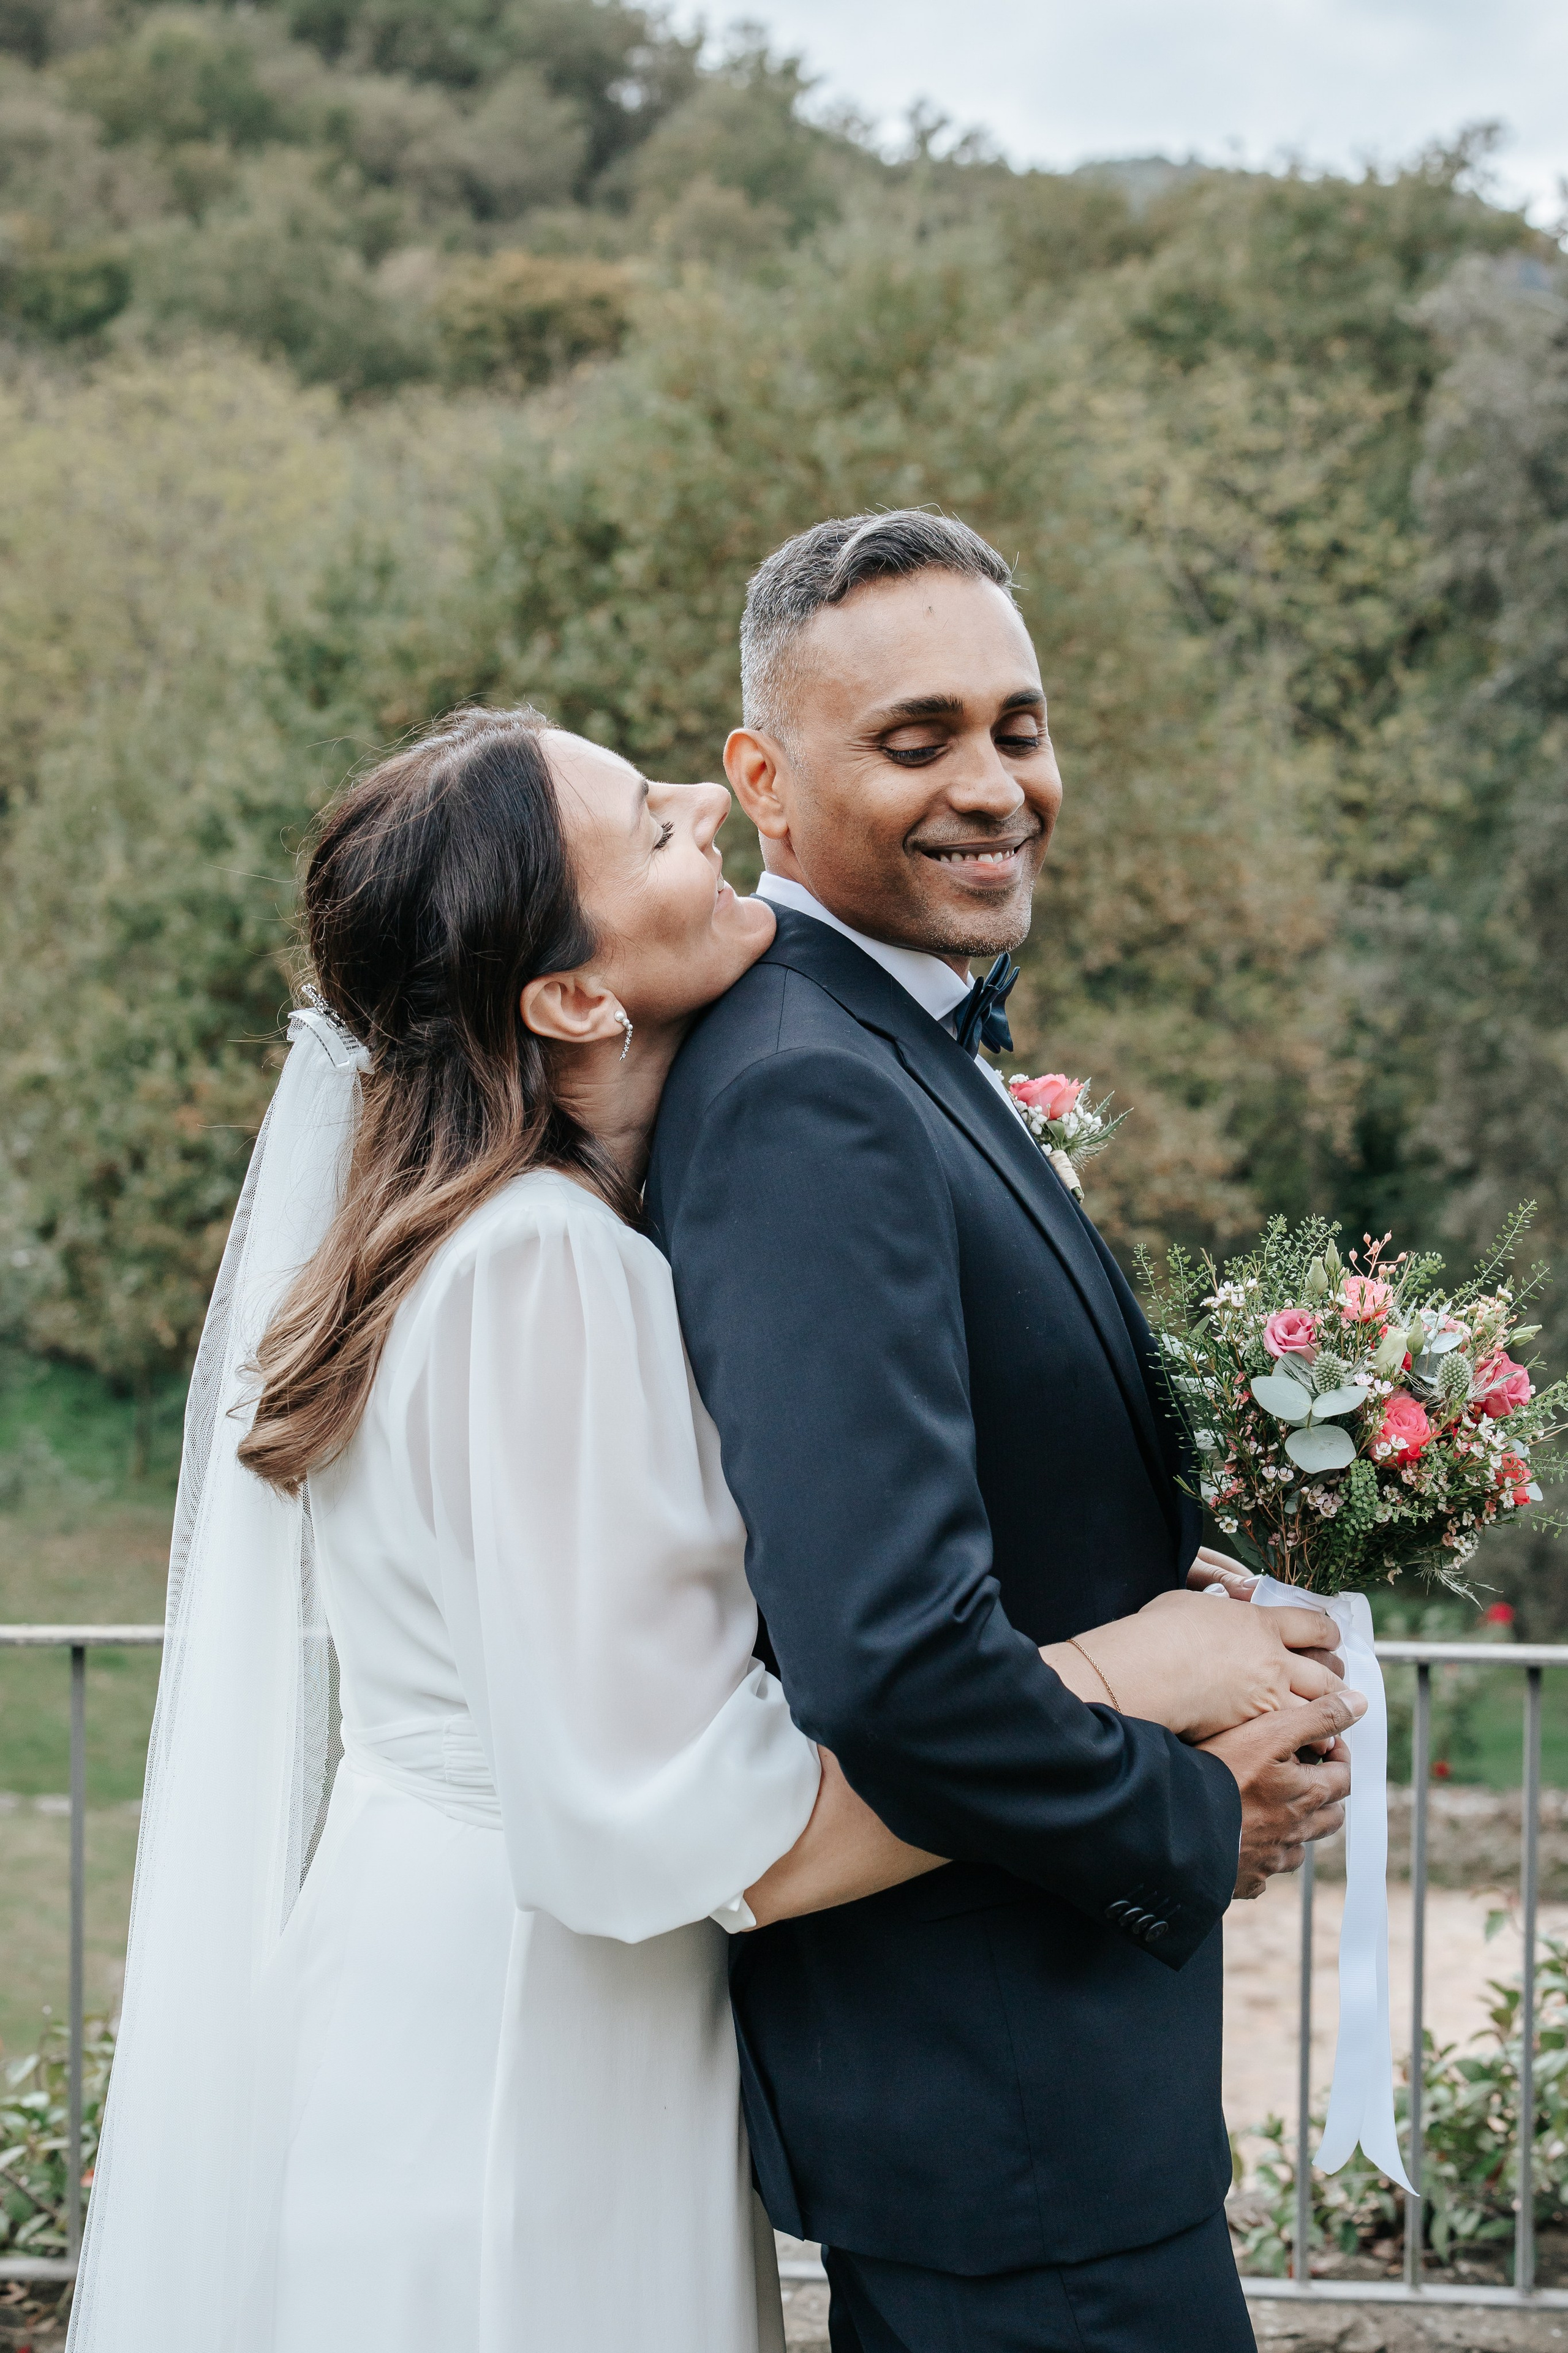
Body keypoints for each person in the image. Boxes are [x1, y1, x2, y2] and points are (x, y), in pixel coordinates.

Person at [68, 705, 1343, 2353]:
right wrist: (1139, 1678)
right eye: (653, 825)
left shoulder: (464, 1245)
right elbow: (684, 1821)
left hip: (449, 1991)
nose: (700, 797)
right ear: (577, 994)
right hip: (525, 2056)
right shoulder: (543, 1269)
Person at [646, 513, 1363, 2353]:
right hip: (997, 2126)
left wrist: (1186, 1612)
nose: (996, 785)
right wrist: (1196, 1805)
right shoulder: (811, 1090)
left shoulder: (897, 1049)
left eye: (1021, 728)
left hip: (1048, 2113)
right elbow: (887, 1657)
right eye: (918, 738)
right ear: (764, 779)